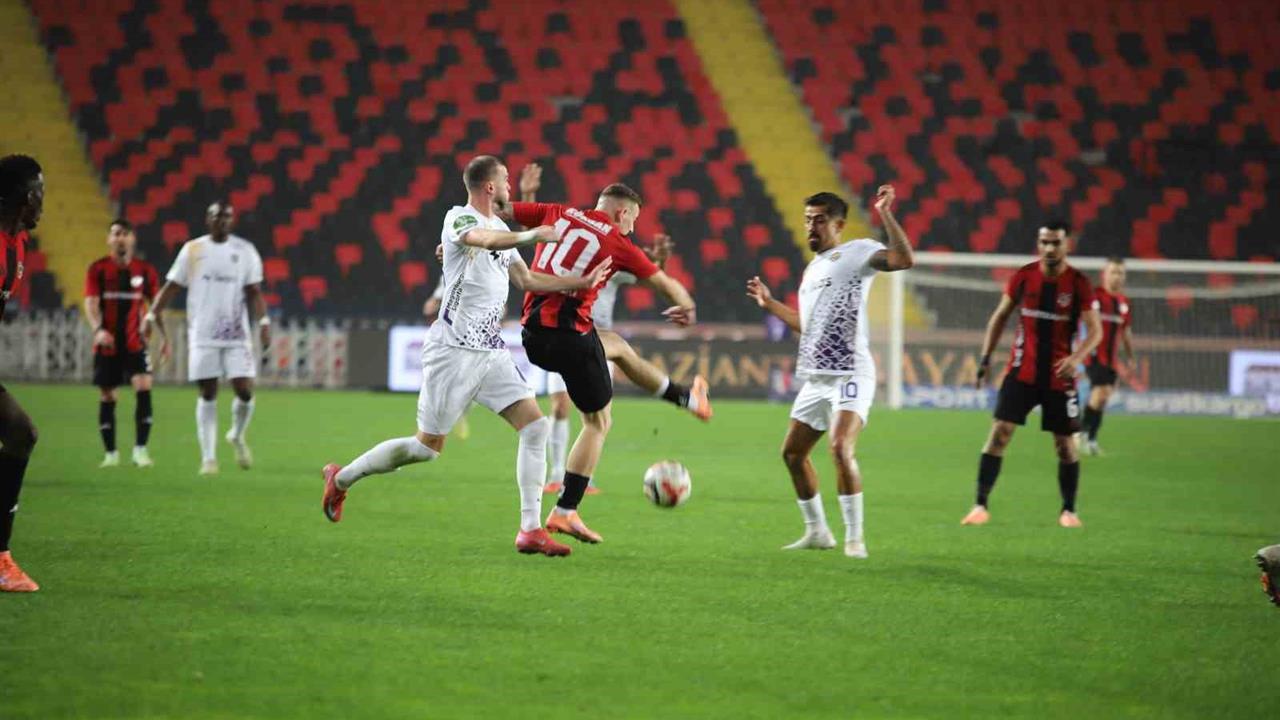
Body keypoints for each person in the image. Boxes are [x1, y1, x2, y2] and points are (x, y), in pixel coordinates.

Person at [320, 155, 611, 558]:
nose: (510, 185)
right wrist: (534, 236)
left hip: (490, 350)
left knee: (535, 427)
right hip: (453, 351)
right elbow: (482, 241)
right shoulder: (458, 219)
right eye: (506, 179)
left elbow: (526, 280)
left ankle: (530, 530)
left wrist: (578, 282)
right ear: (489, 186)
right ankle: (342, 478)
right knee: (425, 448)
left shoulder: (501, 227)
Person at [513, 184, 703, 545]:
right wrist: (687, 306)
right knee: (598, 421)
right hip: (572, 338)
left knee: (617, 346)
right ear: (621, 212)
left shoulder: (557, 212)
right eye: (633, 217)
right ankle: (566, 511)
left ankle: (686, 398)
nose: (633, 225)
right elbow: (663, 283)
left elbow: (502, 209)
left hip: (533, 337)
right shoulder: (617, 242)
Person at [746, 186, 913, 558]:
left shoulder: (857, 252)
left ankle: (855, 539)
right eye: (807, 220)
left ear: (839, 224)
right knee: (792, 454)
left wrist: (885, 213)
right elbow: (808, 324)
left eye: (820, 220)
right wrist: (769, 302)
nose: (812, 227)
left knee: (840, 447)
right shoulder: (813, 270)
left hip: (851, 372)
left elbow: (903, 258)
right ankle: (818, 531)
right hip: (817, 376)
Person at [963, 221, 1102, 528]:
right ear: (1038, 243)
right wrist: (985, 359)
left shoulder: (1078, 283)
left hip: (1060, 378)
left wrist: (1076, 359)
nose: (1050, 248)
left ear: (1067, 245)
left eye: (1056, 242)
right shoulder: (1024, 277)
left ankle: (1069, 511)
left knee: (1065, 446)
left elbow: (1096, 331)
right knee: (999, 433)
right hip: (1021, 373)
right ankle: (979, 505)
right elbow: (999, 318)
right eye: (1044, 242)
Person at [144, 202, 268, 475]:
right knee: (208, 392)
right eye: (216, 216)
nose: (221, 221)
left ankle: (236, 434)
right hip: (202, 333)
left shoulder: (245, 251)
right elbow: (172, 285)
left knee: (245, 390)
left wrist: (264, 321)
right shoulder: (192, 250)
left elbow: (254, 291)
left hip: (236, 334)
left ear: (232, 221)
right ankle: (209, 458)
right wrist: (152, 315)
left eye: (226, 217)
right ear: (207, 220)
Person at [84, 219, 165, 468]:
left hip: (134, 342)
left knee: (144, 386)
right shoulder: (98, 269)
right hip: (107, 344)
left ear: (132, 239)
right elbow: (91, 303)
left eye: (125, 234)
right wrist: (97, 330)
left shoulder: (145, 270)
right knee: (108, 395)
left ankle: (140, 450)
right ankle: (111, 454)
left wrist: (165, 337)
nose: (120, 238)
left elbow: (156, 305)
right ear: (109, 239)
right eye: (116, 234)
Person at [0, 154, 44, 592]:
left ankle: (1, 558)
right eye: (40, 193)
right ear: (24, 197)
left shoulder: (17, 245)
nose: (43, 203)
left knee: (20, 432)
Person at [1078, 257, 1133, 456]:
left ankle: (1091, 439)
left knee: (1103, 397)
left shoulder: (1124, 303)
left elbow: (1126, 332)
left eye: (1120, 273)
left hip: (1111, 359)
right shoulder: (1095, 296)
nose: (1117, 276)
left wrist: (1130, 356)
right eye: (1113, 272)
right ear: (1104, 274)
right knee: (1100, 393)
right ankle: (1082, 433)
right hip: (1092, 354)